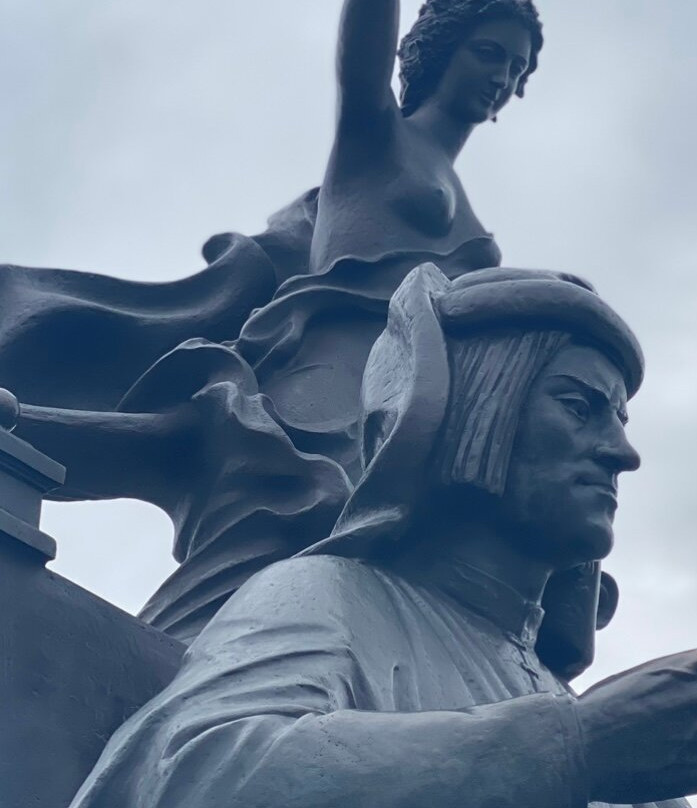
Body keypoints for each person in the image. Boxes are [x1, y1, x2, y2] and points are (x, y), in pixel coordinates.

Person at [68, 264, 697, 808]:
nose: (621, 452)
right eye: (579, 406)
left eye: (619, 419)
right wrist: (574, 750)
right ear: (482, 413)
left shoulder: (548, 688)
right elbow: (190, 779)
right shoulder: (330, 599)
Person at [3, 0, 558, 652]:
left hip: (401, 395)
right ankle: (175, 669)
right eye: (488, 53)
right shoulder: (376, 134)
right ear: (439, 49)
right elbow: (366, 37)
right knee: (294, 506)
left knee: (363, 559)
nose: (501, 76)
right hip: (330, 363)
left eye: (515, 67)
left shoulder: (464, 203)